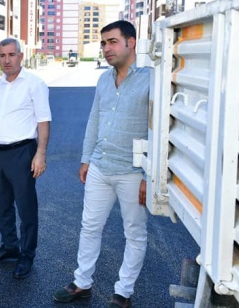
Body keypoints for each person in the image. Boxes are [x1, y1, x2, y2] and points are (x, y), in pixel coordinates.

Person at [53, 20, 149, 308]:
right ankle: (82, 283)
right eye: (103, 43)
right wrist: (86, 159)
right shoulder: (104, 80)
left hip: (133, 172)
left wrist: (149, 173)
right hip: (100, 166)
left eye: (112, 42)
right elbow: (94, 120)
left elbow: (160, 129)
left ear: (131, 42)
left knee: (134, 233)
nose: (106, 48)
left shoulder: (151, 80)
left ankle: (123, 292)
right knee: (90, 226)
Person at [0, 38, 51, 280]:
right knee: (2, 206)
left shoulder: (34, 84)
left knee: (26, 206)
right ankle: (10, 246)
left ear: (21, 56)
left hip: (23, 152)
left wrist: (40, 154)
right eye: (2, 55)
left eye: (11, 55)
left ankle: (27, 254)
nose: (6, 60)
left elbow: (43, 120)